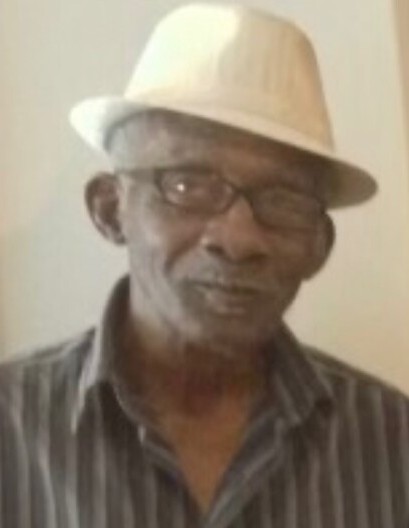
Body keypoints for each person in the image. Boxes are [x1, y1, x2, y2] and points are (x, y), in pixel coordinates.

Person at [0, 3, 408, 527]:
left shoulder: (392, 441)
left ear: (319, 245)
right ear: (110, 209)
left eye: (283, 200)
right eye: (188, 184)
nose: (237, 240)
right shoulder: (14, 429)